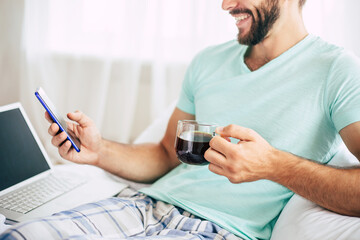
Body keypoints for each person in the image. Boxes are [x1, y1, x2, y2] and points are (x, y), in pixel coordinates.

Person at [2, 0, 360, 239]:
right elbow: (165, 154)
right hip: (142, 205)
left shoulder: (336, 70)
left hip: (220, 229)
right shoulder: (208, 62)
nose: (224, 4)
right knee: (20, 235)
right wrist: (99, 151)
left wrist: (275, 166)